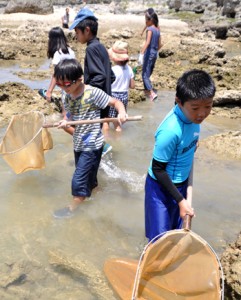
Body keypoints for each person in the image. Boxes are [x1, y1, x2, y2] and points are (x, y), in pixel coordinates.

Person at [145, 69, 216, 241]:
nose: (202, 113)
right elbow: (158, 169)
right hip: (161, 189)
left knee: (176, 236)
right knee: (159, 239)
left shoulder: (194, 120)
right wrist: (181, 201)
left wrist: (192, 147)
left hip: (182, 185)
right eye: (195, 108)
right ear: (179, 102)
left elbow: (191, 143)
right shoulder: (170, 131)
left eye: (208, 106)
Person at [52, 59, 127, 219]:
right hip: (79, 143)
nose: (64, 88)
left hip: (92, 144)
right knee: (90, 179)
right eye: (59, 84)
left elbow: (115, 102)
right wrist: (66, 120)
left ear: (79, 79)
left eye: (66, 84)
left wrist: (121, 112)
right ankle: (100, 198)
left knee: (79, 180)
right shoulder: (67, 95)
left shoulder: (92, 93)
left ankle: (72, 208)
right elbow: (70, 113)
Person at [69, 7, 115, 154]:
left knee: (85, 138)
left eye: (77, 32)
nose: (76, 36)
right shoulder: (101, 47)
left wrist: (84, 90)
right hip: (105, 101)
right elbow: (111, 76)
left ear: (87, 30)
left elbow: (100, 76)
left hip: (95, 104)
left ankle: (101, 151)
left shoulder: (91, 49)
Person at [39, 27, 75, 107]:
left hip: (65, 87)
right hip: (73, 86)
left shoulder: (58, 54)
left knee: (65, 110)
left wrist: (49, 91)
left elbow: (56, 75)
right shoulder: (71, 51)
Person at [108, 40, 135, 132]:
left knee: (111, 118)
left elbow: (108, 84)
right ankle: (118, 129)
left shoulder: (113, 69)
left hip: (114, 96)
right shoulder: (129, 69)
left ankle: (116, 133)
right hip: (124, 95)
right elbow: (132, 85)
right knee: (120, 117)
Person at [138, 8, 162, 101]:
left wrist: (141, 54)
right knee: (148, 73)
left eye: (145, 20)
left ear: (150, 20)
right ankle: (147, 91)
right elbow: (160, 44)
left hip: (149, 54)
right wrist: (156, 52)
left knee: (144, 74)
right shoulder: (157, 29)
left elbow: (147, 43)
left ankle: (151, 92)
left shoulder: (150, 29)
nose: (145, 22)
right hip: (155, 53)